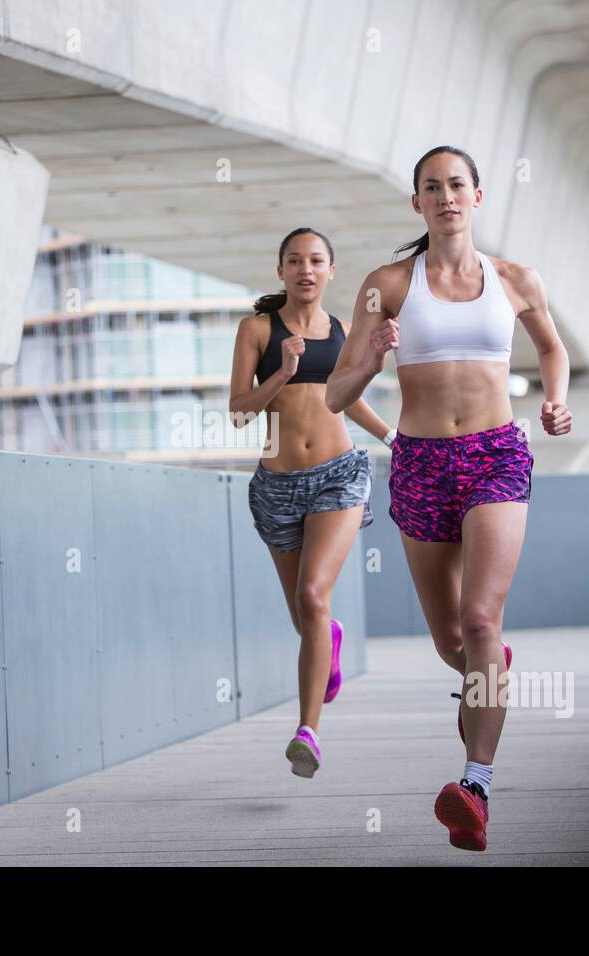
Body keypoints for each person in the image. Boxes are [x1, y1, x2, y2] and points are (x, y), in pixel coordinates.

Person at [325, 146, 573, 850]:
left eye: (457, 185)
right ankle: (486, 673)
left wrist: (553, 402)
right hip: (420, 463)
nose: (446, 197)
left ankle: (475, 785)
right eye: (431, 188)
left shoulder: (516, 278)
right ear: (417, 204)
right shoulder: (387, 285)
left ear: (478, 196)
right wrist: (372, 358)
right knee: (453, 643)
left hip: (496, 455)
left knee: (481, 618)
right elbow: (337, 395)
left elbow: (551, 349)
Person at [229, 227, 395, 779]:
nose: (305, 269)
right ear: (281, 271)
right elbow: (238, 412)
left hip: (338, 476)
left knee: (313, 593)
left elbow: (349, 404)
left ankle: (308, 732)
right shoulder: (256, 330)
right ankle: (329, 637)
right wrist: (282, 371)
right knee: (308, 614)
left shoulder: (344, 331)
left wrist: (396, 440)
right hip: (276, 486)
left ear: (331, 271)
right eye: (294, 260)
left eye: (316, 260)